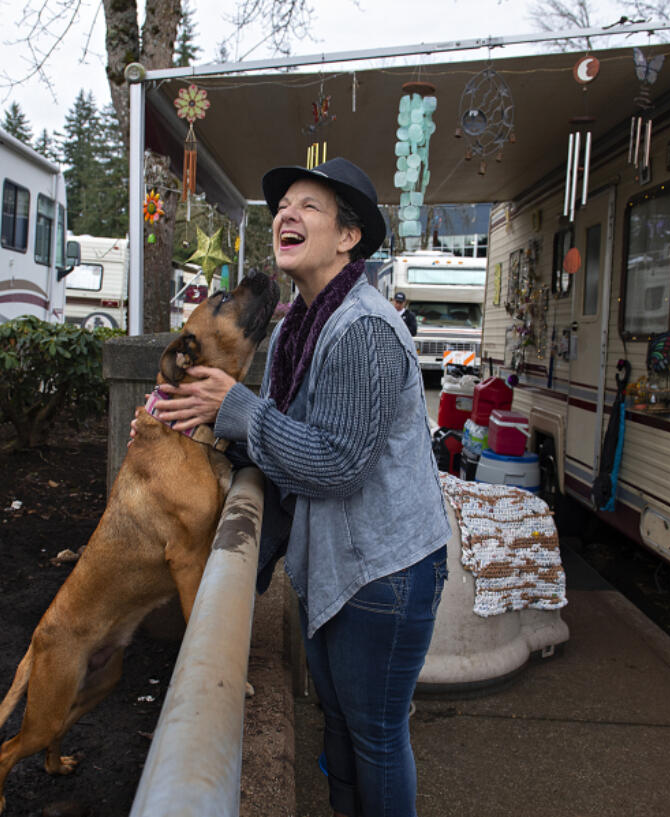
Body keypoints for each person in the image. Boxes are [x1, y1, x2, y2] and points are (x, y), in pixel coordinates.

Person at [152, 157, 450, 817]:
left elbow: (338, 460)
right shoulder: (296, 328)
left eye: (308, 205)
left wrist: (241, 410)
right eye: (282, 205)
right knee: (341, 725)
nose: (286, 214)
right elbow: (287, 437)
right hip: (337, 562)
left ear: (348, 238)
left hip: (386, 569)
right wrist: (219, 420)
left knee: (373, 733)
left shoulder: (363, 327)